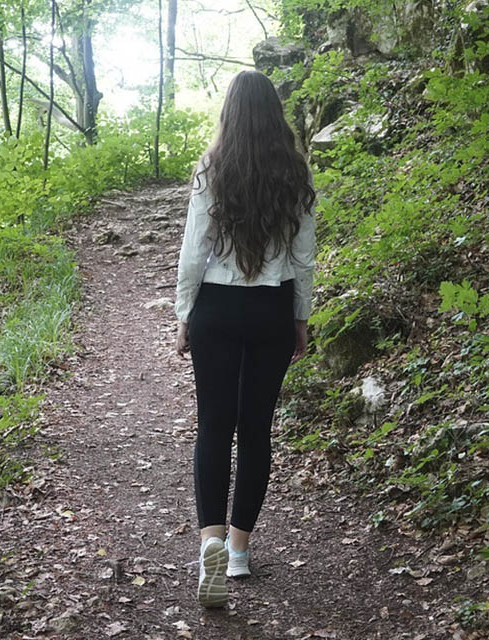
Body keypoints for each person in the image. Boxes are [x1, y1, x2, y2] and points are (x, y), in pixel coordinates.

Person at [173, 69, 317, 609]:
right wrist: (300, 318)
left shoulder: (212, 170)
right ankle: (237, 552)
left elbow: (194, 250)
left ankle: (208, 539)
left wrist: (184, 313)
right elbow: (303, 260)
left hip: (217, 304)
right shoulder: (295, 175)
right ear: (274, 115)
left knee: (214, 423)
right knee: (256, 428)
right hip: (271, 310)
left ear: (230, 114)